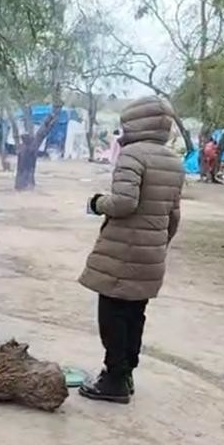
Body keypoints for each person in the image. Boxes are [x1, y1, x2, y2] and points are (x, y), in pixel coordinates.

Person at [77, 97, 185, 403]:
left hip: (121, 254)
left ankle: (113, 379)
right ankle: (125, 375)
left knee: (112, 315)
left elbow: (125, 203)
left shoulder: (132, 156)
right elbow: (174, 215)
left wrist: (98, 203)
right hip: (151, 254)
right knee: (135, 315)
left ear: (134, 123)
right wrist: (158, 245)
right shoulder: (173, 162)